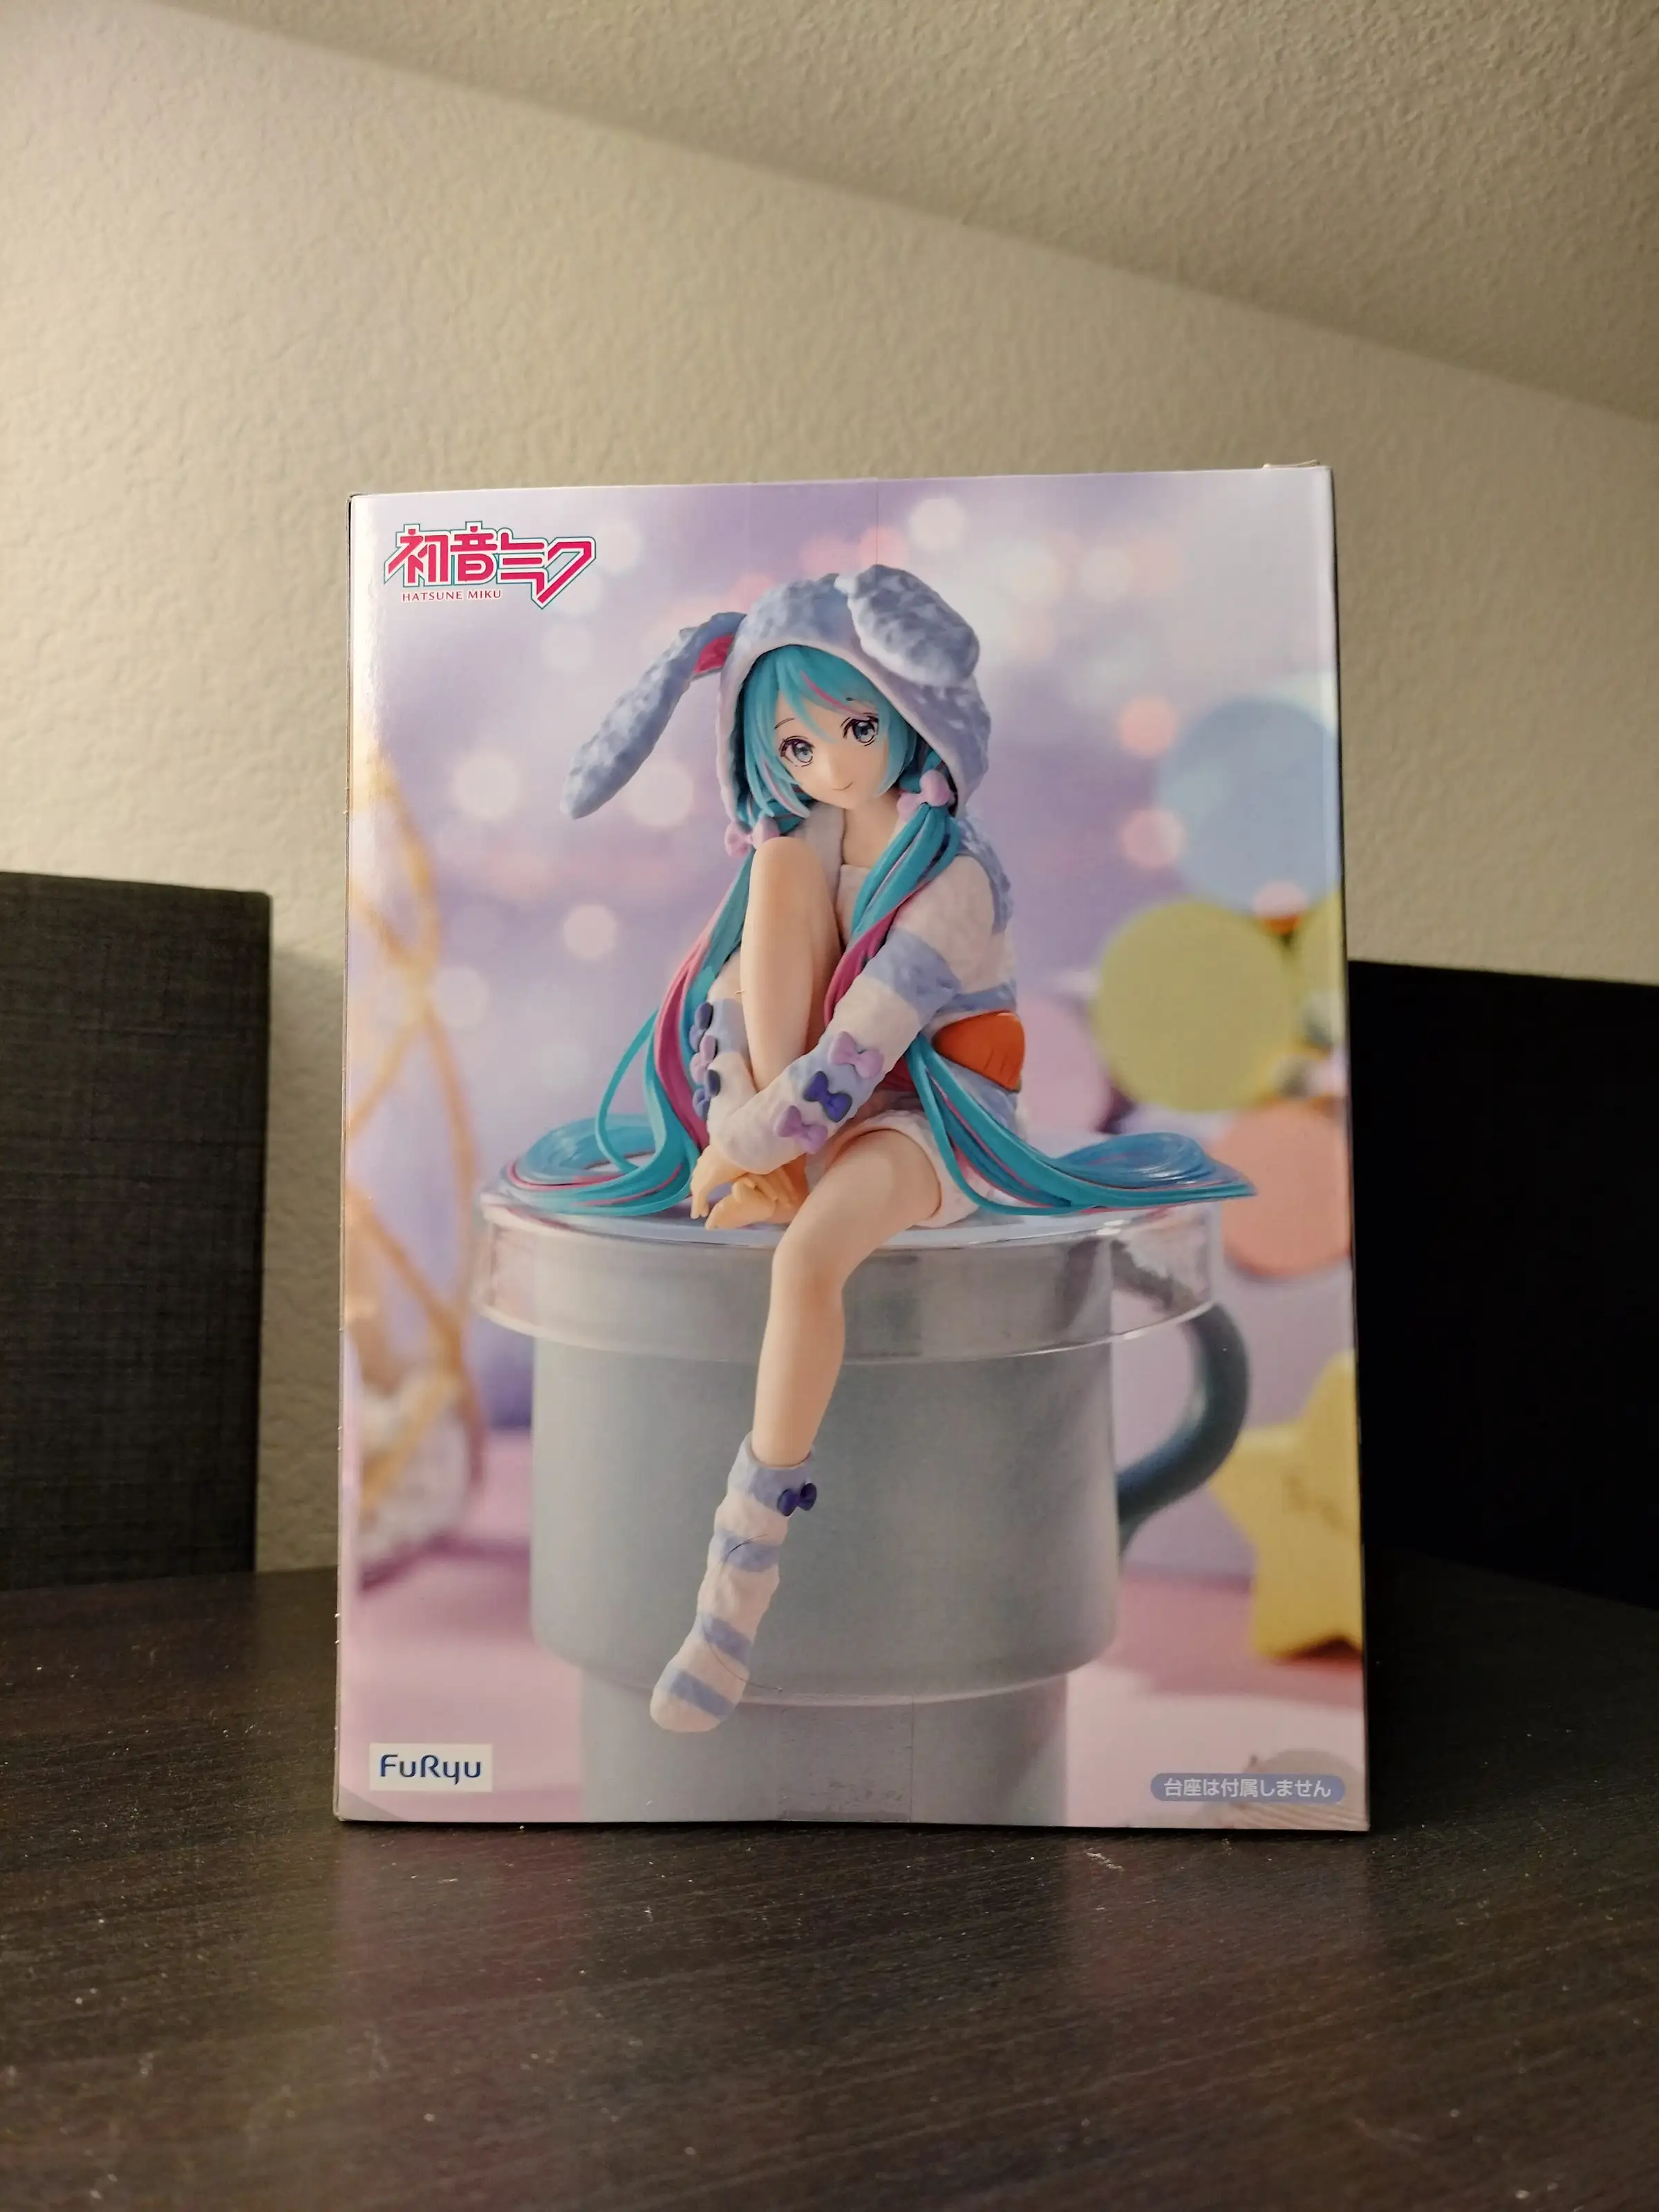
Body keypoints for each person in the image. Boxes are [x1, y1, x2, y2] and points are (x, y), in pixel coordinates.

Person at [504, 565, 1247, 1731]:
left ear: (913, 712)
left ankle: (734, 1591)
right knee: (774, 904)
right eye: (796, 746)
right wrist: (740, 1122)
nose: (834, 764)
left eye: (857, 727)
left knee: (810, 1258)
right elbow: (733, 1006)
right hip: (804, 1114)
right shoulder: (789, 855)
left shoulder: (953, 876)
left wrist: (751, 1140)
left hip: (934, 1118)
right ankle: (774, 1186)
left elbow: (860, 1050)